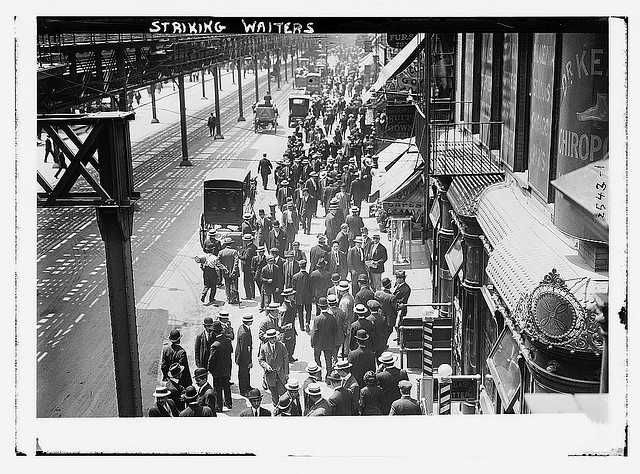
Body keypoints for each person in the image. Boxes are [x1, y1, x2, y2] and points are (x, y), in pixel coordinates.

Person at [258, 328, 290, 406]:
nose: (272, 339)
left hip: (280, 375)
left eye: (273, 337)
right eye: (270, 338)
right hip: (270, 376)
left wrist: (286, 373)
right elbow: (261, 360)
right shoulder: (264, 347)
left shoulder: (281, 346)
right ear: (268, 338)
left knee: (283, 394)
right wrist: (266, 366)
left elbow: (286, 359)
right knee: (274, 394)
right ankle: (276, 407)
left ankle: (284, 407)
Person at [208, 321, 234, 412]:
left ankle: (219, 406)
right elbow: (230, 352)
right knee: (226, 386)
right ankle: (229, 403)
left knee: (217, 388)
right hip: (226, 368)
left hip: (218, 371)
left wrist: (210, 369)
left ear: (214, 332)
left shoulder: (215, 345)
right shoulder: (228, 341)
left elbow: (212, 360)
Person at [310, 297, 338, 380]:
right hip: (329, 342)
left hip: (318, 343)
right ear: (327, 306)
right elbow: (335, 330)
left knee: (317, 358)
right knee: (328, 361)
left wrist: (312, 342)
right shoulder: (332, 318)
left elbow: (314, 332)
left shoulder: (317, 319)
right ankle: (328, 377)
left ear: (319, 306)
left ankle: (318, 375)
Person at [375, 277, 399, 347]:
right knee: (388, 331)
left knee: (382, 331)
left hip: (381, 315)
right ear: (390, 285)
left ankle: (383, 344)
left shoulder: (378, 294)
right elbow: (396, 307)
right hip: (389, 318)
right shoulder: (391, 297)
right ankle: (383, 344)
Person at [235, 314, 254, 397]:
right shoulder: (244, 333)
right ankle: (243, 390)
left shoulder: (243, 328)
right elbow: (244, 350)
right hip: (243, 358)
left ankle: (247, 386)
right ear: (249, 322)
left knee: (246, 373)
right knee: (243, 374)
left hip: (243, 356)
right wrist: (248, 361)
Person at [291, 260, 313, 333]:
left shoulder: (295, 276)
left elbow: (293, 288)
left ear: (299, 266)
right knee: (308, 311)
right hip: (308, 297)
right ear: (305, 266)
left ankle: (301, 326)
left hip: (299, 297)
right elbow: (311, 287)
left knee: (300, 312)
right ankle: (307, 323)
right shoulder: (309, 276)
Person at [218, 237, 240, 304]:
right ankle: (234, 299)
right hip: (234, 273)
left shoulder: (221, 252)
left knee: (227, 286)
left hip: (226, 273)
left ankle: (229, 299)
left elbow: (218, 262)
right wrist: (233, 271)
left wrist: (224, 268)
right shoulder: (234, 252)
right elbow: (236, 262)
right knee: (235, 286)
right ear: (231, 244)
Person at [279, 288, 298, 361]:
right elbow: (283, 321)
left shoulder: (291, 303)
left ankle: (290, 356)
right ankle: (287, 358)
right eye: (292, 295)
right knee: (289, 344)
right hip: (288, 330)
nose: (293, 296)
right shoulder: (285, 307)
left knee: (292, 344)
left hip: (292, 328)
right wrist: (286, 332)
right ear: (288, 296)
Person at [327, 294, 348, 359]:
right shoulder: (341, 311)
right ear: (336, 302)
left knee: (330, 352)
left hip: (329, 336)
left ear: (328, 303)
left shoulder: (327, 313)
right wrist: (345, 332)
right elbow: (344, 324)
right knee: (336, 349)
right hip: (339, 335)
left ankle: (334, 359)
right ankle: (335, 358)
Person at [238, 234, 257, 300]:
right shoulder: (253, 246)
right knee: (251, 281)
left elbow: (246, 258)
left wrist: (239, 256)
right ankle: (252, 295)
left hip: (247, 268)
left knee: (247, 282)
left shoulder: (249, 248)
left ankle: (249, 295)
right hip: (251, 267)